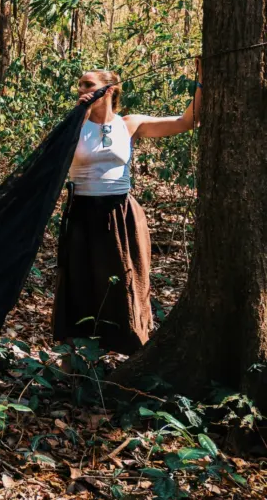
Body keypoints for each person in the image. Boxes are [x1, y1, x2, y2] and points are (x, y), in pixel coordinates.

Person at [53, 60, 202, 355]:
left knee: (126, 279)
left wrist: (203, 81)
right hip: (82, 213)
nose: (82, 90)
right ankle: (73, 359)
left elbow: (187, 121)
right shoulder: (74, 125)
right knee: (80, 282)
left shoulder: (129, 123)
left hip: (122, 213)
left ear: (110, 90)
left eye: (89, 85)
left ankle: (132, 349)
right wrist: (78, 113)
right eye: (80, 85)